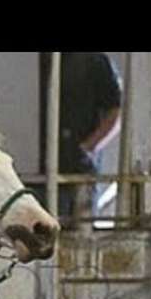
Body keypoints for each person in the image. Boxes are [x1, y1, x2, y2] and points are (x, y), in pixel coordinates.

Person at [55, 53, 122, 221]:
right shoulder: (34, 61)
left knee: (79, 234)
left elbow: (115, 114)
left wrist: (88, 147)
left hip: (77, 168)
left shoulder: (93, 60)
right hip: (37, 167)